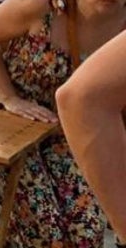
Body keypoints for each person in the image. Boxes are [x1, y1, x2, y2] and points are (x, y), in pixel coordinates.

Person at [0, 0, 126, 248]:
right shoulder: (43, 4)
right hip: (11, 130)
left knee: (86, 235)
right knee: (48, 234)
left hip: (68, 139)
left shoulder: (123, 29)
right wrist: (10, 97)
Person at [56, 31, 126, 247]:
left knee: (86, 228)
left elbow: (81, 99)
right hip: (36, 140)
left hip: (73, 146)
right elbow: (80, 99)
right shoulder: (44, 3)